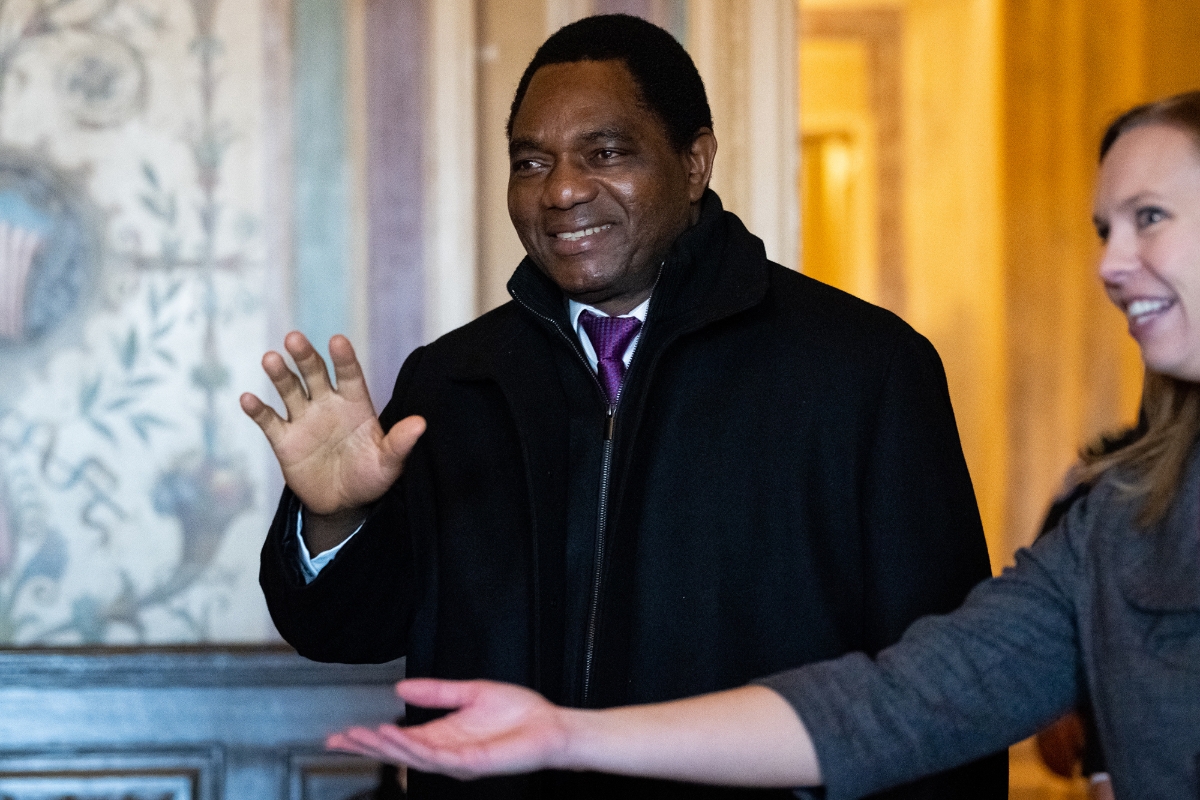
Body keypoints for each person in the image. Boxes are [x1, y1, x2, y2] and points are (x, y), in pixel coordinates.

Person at [323, 91, 1200, 799]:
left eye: (1149, 217)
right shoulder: (1122, 518)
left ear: (693, 163)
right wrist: (563, 734)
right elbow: (906, 703)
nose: (1111, 265)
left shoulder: (864, 363)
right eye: (1102, 230)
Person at [243, 14, 1004, 799]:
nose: (563, 190)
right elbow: (345, 629)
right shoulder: (455, 382)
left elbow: (945, 693)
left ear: (694, 162)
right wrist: (331, 519)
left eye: (605, 153)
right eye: (531, 162)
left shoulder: (863, 370)